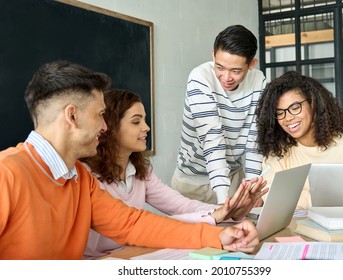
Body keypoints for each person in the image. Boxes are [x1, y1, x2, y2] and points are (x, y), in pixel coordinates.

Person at [0, 60, 260, 260]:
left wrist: (219, 237)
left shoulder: (79, 178)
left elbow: (133, 223)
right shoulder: (6, 174)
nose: (105, 127)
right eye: (100, 115)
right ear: (72, 117)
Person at [82, 89, 268, 259]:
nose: (146, 127)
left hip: (137, 252)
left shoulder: (140, 170)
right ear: (110, 128)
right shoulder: (87, 176)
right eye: (136, 121)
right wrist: (215, 216)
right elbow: (144, 225)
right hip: (103, 260)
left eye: (145, 120)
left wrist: (227, 211)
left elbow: (181, 206)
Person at [171, 25, 267, 205]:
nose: (226, 77)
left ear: (252, 64)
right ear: (213, 54)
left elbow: (255, 142)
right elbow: (212, 140)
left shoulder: (259, 81)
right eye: (220, 67)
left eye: (236, 71)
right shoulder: (200, 78)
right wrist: (224, 203)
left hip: (234, 179)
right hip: (192, 183)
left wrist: (253, 191)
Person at [255, 70, 343, 210]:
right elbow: (272, 197)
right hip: (292, 230)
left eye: (295, 108)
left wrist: (298, 197)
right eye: (280, 113)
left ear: (314, 104)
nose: (287, 118)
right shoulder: (279, 152)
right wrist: (334, 198)